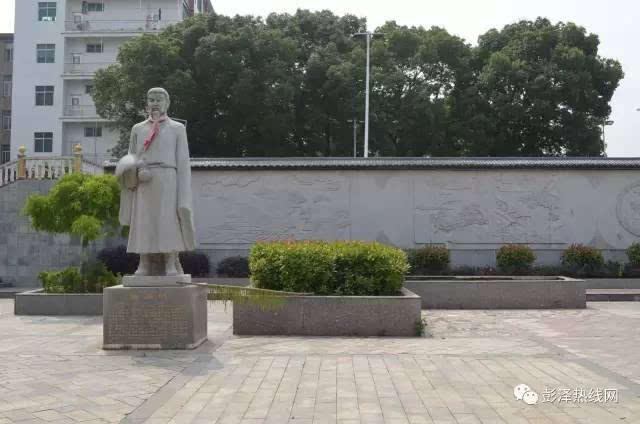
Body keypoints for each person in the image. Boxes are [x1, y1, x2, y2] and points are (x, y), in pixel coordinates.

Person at [115, 88, 196, 276]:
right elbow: (131, 157)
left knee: (168, 221)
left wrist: (184, 194)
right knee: (144, 221)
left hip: (168, 178)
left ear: (167, 103)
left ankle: (170, 261)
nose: (155, 103)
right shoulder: (138, 128)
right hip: (145, 181)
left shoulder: (177, 128)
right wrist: (138, 166)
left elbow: (183, 162)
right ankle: (144, 262)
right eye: (151, 99)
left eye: (159, 99)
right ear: (146, 103)